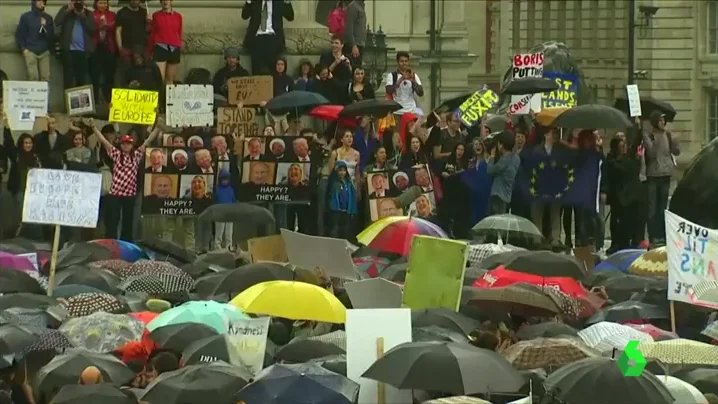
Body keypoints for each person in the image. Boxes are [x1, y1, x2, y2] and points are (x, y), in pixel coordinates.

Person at [92, 119, 160, 241]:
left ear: (132, 145)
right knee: (113, 220)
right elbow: (103, 140)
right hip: (115, 193)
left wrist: (158, 128)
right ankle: (111, 243)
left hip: (130, 194)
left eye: (128, 143)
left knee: (128, 221)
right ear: (121, 144)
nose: (126, 145)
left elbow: (148, 140)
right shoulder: (116, 154)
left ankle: (126, 243)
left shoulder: (137, 154)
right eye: (124, 143)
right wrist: (93, 127)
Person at [643, 110, 680, 246]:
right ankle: (653, 236)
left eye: (664, 120)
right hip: (653, 175)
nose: (663, 122)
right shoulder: (649, 135)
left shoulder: (667, 135)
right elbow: (651, 153)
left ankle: (662, 235)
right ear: (654, 122)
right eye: (660, 120)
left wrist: (674, 140)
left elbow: (676, 151)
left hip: (666, 174)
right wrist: (656, 138)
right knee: (653, 207)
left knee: (663, 207)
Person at [605, 135, 641, 253]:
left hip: (629, 195)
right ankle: (616, 243)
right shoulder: (611, 161)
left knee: (627, 221)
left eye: (624, 145)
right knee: (615, 221)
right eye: (621, 146)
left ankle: (626, 242)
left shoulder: (629, 160)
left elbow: (633, 172)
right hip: (617, 195)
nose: (624, 148)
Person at [241, 0, 294, 75]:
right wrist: (248, 2)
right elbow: (244, 16)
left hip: (273, 39)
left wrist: (287, 2)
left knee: (273, 70)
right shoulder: (255, 2)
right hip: (257, 40)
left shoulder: (278, 3)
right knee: (256, 70)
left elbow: (290, 17)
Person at [55, 0, 96, 90]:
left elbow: (93, 30)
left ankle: (80, 103)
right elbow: (57, 22)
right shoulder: (65, 10)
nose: (77, 3)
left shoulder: (88, 13)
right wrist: (67, 11)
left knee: (81, 78)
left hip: (82, 51)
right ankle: (67, 103)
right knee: (68, 79)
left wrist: (83, 16)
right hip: (68, 50)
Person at [15, 0, 54, 82]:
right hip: (30, 51)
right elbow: (20, 34)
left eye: (43, 1)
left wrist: (45, 26)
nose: (41, 3)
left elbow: (50, 36)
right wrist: (24, 49)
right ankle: (33, 95)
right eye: (39, 1)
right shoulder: (26, 17)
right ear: (34, 2)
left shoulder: (48, 18)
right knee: (33, 77)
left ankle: (44, 95)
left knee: (45, 78)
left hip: (44, 51)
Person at [89, 0, 117, 104]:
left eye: (105, 3)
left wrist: (107, 26)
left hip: (109, 48)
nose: (103, 5)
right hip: (95, 48)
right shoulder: (91, 15)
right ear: (96, 4)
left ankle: (109, 101)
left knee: (109, 76)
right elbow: (90, 28)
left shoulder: (112, 15)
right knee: (95, 76)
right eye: (100, 3)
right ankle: (95, 101)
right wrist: (100, 26)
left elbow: (115, 26)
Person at [148, 0, 182, 84]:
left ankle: (168, 97)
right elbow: (152, 33)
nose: (165, 1)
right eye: (162, 0)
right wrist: (149, 50)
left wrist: (179, 46)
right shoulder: (156, 15)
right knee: (159, 79)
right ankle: (161, 96)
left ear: (171, 1)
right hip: (160, 47)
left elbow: (179, 32)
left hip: (174, 48)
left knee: (170, 80)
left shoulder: (178, 16)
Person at [487, 132, 520, 215]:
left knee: (496, 222)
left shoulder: (504, 161)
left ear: (501, 145)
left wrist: (492, 156)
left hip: (498, 196)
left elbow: (490, 170)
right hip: (508, 196)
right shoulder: (516, 158)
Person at [385, 51, 424, 119]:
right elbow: (388, 91)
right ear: (398, 62)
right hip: (397, 112)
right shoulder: (392, 75)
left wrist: (413, 81)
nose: (404, 63)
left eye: (406, 61)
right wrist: (400, 80)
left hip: (411, 111)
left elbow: (421, 93)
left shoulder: (414, 75)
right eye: (402, 61)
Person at [115, 0, 148, 77]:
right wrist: (120, 48)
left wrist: (149, 22)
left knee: (141, 75)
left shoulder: (144, 12)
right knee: (126, 74)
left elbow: (147, 31)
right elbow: (118, 31)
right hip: (127, 48)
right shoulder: (122, 12)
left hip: (141, 49)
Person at [328, 160, 357, 239]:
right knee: (335, 227)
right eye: (340, 170)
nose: (342, 173)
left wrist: (352, 210)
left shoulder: (349, 183)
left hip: (346, 210)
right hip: (336, 210)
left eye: (344, 170)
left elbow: (352, 197)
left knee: (346, 228)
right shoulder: (333, 182)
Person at [213, 169, 236, 251]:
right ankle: (217, 248)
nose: (225, 181)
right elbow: (214, 201)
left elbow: (233, 200)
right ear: (220, 179)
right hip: (220, 214)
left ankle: (229, 247)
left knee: (229, 233)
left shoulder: (231, 189)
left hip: (230, 213)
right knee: (219, 233)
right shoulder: (217, 189)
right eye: (223, 179)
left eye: (227, 179)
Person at [343, 0, 366, 66]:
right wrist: (353, 45)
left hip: (360, 44)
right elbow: (349, 28)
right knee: (354, 69)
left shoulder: (360, 6)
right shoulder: (353, 7)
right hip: (354, 46)